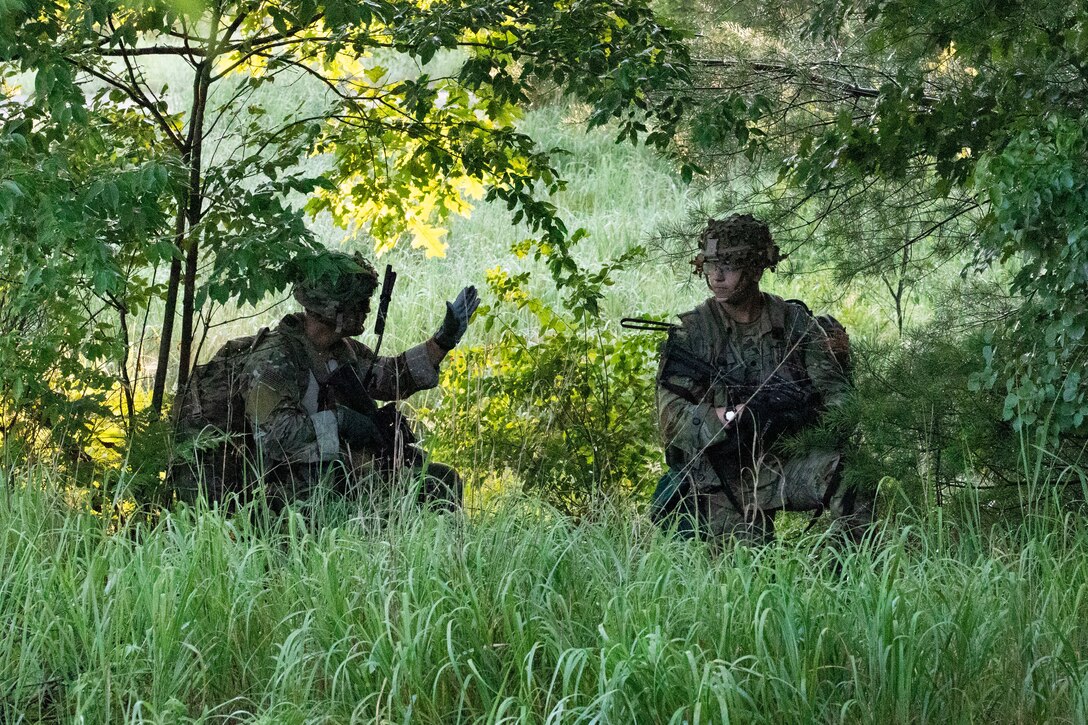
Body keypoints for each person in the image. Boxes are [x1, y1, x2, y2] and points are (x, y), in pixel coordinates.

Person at [651, 214, 872, 543]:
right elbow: (670, 419)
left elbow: (840, 398)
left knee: (854, 475)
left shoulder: (794, 324)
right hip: (724, 476)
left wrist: (804, 422)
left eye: (729, 265)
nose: (718, 276)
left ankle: (844, 575)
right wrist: (729, 417)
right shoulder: (694, 334)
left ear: (755, 268)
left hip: (789, 460)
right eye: (711, 265)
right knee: (749, 572)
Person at [227, 250, 477, 509]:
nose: (367, 309)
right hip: (289, 484)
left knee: (441, 481)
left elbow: (390, 378)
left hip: (341, 468)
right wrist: (341, 421)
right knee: (374, 489)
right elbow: (276, 437)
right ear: (330, 308)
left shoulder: (342, 350)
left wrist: (442, 341)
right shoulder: (274, 361)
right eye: (358, 304)